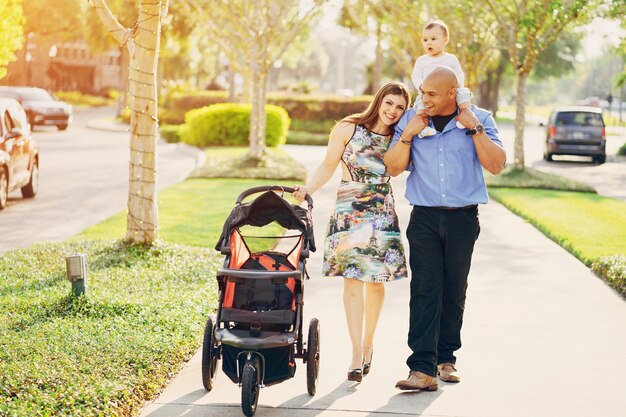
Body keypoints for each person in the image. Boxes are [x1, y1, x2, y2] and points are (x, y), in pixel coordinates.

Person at [384, 67, 506, 391]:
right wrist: (408, 133)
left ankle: (445, 358)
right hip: (423, 217)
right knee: (425, 289)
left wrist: (476, 129)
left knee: (454, 289)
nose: (424, 99)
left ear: (453, 92)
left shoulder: (478, 117)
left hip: (463, 219)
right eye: (422, 92)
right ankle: (421, 369)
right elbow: (393, 166)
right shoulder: (411, 118)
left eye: (432, 94)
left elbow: (496, 164)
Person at [293, 81, 410, 382]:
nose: (393, 111)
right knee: (352, 282)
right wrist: (309, 189)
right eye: (389, 103)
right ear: (379, 100)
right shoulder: (348, 128)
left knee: (376, 282)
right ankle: (356, 352)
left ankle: (369, 343)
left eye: (400, 107)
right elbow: (328, 164)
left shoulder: (400, 138)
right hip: (349, 211)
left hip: (381, 213)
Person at [411, 19, 472, 138]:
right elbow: (416, 75)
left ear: (445, 40)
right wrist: (421, 87)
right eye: (425, 40)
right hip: (427, 92)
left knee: (463, 95)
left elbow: (459, 73)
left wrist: (459, 84)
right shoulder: (422, 60)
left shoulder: (451, 59)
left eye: (433, 39)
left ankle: (464, 115)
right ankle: (423, 128)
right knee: (421, 110)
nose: (429, 43)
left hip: (449, 91)